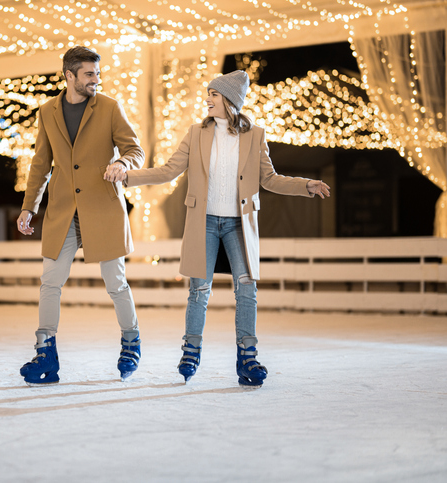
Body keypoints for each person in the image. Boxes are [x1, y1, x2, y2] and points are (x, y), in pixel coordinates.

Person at [106, 70, 330, 387]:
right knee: (199, 291)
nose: (207, 99)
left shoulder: (255, 135)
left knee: (247, 288)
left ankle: (248, 357)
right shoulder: (196, 133)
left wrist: (304, 185)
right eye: (208, 93)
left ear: (229, 100)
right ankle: (191, 351)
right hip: (205, 222)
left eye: (213, 94)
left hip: (239, 224)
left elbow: (269, 179)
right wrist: (128, 177)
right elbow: (169, 171)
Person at [17, 46, 145, 385]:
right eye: (89, 74)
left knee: (115, 282)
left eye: (97, 73)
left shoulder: (109, 108)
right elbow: (41, 163)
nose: (96, 80)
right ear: (69, 75)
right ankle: (46, 353)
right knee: (50, 281)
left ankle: (131, 342)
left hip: (101, 207)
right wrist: (30, 206)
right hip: (62, 210)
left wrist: (121, 163)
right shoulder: (47, 111)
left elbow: (135, 149)